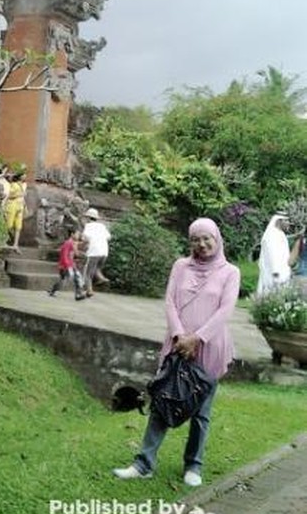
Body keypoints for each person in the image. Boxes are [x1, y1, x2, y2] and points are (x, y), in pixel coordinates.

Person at [112, 217, 240, 487]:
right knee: (162, 402)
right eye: (195, 239)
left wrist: (197, 338)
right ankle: (143, 464)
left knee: (201, 412)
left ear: (217, 239)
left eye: (206, 238)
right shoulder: (180, 266)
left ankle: (193, 466)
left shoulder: (230, 272)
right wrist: (180, 336)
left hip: (209, 349)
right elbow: (170, 301)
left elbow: (225, 310)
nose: (201, 244)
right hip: (177, 346)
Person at [256, 213, 292, 296]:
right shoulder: (271, 234)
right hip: (274, 271)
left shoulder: (280, 233)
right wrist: (275, 270)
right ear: (279, 221)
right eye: (286, 221)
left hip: (283, 269)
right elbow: (272, 253)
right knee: (271, 294)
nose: (288, 223)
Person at [80, 207, 111, 297]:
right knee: (96, 268)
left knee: (88, 273)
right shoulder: (102, 226)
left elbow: (84, 238)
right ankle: (102, 278)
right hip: (104, 252)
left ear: (88, 218)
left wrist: (81, 245)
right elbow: (108, 237)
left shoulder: (88, 226)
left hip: (94, 252)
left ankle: (89, 290)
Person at [48, 229, 85, 300]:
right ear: (72, 234)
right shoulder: (68, 243)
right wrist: (67, 265)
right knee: (65, 280)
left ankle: (78, 294)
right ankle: (53, 290)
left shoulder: (72, 243)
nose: (78, 236)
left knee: (73, 279)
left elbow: (74, 254)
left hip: (70, 264)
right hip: (66, 265)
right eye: (77, 234)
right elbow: (64, 255)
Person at [4, 169, 27, 251]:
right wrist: (19, 194)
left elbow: (23, 196)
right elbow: (9, 195)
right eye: (23, 174)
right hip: (12, 205)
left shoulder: (24, 185)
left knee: (18, 226)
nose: (25, 176)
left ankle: (15, 244)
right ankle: (5, 240)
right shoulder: (13, 184)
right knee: (9, 224)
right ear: (20, 176)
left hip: (20, 206)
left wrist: (25, 206)